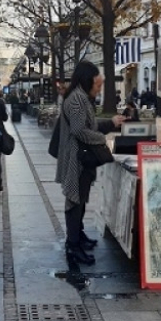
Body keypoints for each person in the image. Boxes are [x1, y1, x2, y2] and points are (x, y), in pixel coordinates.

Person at [55, 62, 125, 266]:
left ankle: (78, 236)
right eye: (98, 85)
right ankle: (73, 245)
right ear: (88, 81)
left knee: (80, 198)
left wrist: (111, 123)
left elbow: (89, 125)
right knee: (74, 200)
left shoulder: (81, 97)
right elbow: (79, 131)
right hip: (76, 158)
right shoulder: (77, 99)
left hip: (80, 157)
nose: (99, 89)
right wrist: (103, 139)